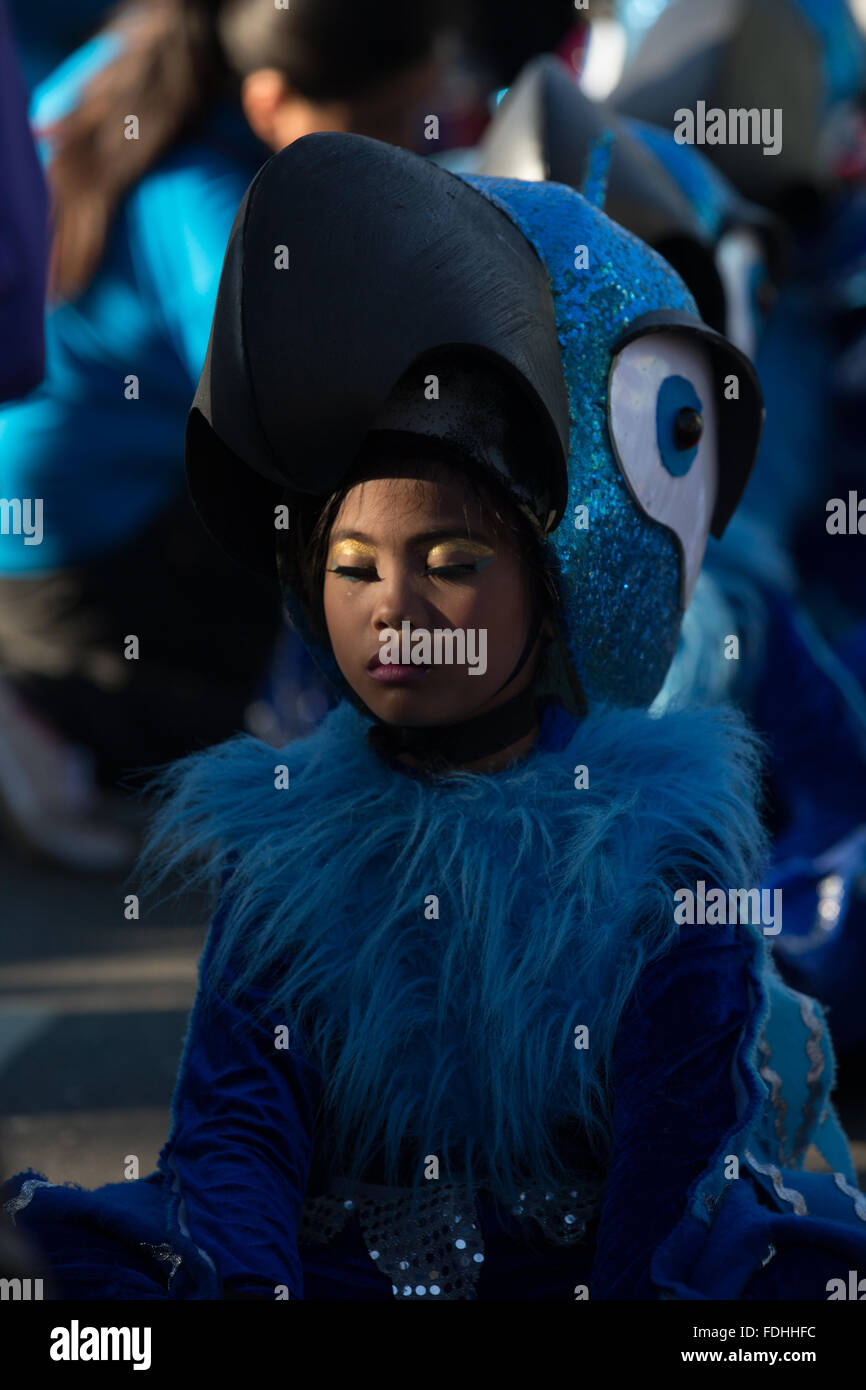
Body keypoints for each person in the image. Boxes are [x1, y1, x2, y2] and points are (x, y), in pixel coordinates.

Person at [4, 133, 866, 1301]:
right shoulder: (284, 844)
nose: (395, 608)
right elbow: (237, 1138)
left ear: (556, 580)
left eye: (452, 560)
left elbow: (672, 1178)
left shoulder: (661, 854)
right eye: (352, 566)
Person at [0, 0, 453, 872]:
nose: (414, 149)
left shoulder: (116, 72)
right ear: (271, 99)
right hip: (80, 584)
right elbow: (304, 418)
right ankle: (49, 722)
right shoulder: (203, 202)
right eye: (386, 125)